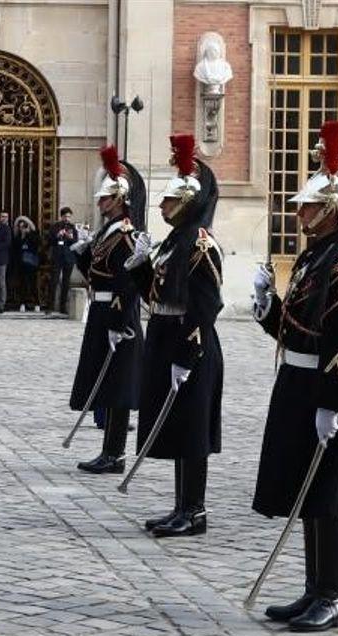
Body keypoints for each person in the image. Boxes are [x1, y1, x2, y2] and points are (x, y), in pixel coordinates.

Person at [252, 120, 338, 632]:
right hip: (298, 385)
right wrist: (268, 308)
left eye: (309, 206)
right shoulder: (315, 258)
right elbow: (303, 330)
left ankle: (333, 594)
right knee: (305, 494)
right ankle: (313, 589)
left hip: (325, 393)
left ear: (333, 208)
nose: (301, 212)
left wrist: (334, 401)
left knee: (326, 496)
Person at [125, 135, 224, 537]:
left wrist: (187, 353)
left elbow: (205, 306)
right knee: (178, 427)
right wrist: (139, 267)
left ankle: (195, 510)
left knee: (192, 429)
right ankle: (181, 505)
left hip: (190, 344)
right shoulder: (174, 241)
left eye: (168, 202)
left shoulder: (200, 244)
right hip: (167, 336)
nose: (162, 207)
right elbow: (157, 295)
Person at [68, 145, 145, 474]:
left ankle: (115, 453)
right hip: (101, 314)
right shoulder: (108, 233)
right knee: (106, 384)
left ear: (119, 200)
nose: (100, 203)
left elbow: (127, 284)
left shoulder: (126, 235)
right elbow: (95, 277)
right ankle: (109, 450)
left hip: (117, 319)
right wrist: (83, 253)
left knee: (117, 388)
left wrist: (119, 322)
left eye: (104, 199)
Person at [47, 207, 78, 316]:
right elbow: (49, 240)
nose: (67, 218)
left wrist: (70, 237)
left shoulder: (73, 227)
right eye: (65, 216)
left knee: (66, 283)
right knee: (53, 282)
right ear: (61, 216)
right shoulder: (55, 226)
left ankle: (62, 307)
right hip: (57, 257)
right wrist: (57, 236)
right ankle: (50, 307)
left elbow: (76, 241)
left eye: (69, 216)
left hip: (68, 258)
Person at [12, 215, 41, 311]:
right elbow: (15, 248)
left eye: (24, 226)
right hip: (21, 264)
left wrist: (29, 234)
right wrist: (22, 237)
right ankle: (22, 303)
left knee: (33, 284)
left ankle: (37, 303)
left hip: (31, 263)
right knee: (22, 284)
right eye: (20, 227)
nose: (22, 229)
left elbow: (37, 244)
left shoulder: (34, 234)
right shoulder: (17, 236)